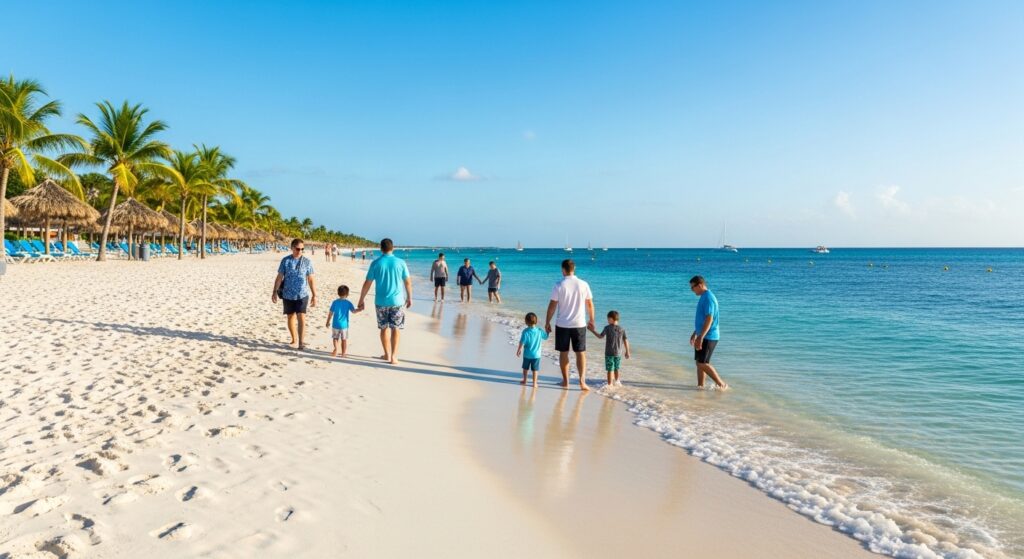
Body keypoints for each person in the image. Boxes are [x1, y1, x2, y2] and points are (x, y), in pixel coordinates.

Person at [357, 238, 412, 364]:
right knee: (396, 328)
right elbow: (408, 282)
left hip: (381, 301)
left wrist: (361, 299)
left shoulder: (376, 263)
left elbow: (367, 283)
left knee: (383, 328)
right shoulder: (401, 262)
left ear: (381, 249)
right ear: (393, 248)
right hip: (397, 302)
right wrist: (410, 297)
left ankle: (387, 354)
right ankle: (393, 356)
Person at [545, 259, 595, 391]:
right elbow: (589, 304)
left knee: (564, 353)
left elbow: (552, 305)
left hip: (562, 324)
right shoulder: (584, 284)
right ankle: (582, 382)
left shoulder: (559, 285)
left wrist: (547, 322)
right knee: (580, 353)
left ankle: (566, 382)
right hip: (579, 324)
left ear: (563, 269)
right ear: (574, 268)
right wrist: (592, 320)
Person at [271, 238, 317, 349]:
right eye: (297, 249)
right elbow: (279, 277)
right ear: (292, 248)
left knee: (301, 317)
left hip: (302, 294)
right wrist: (274, 291)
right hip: (288, 294)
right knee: (290, 317)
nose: (300, 251)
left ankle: (301, 342)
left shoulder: (307, 262)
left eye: (302, 249)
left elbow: (310, 279)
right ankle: (293, 339)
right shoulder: (285, 261)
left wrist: (314, 295)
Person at [689, 275, 728, 389]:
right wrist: (695, 332)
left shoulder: (708, 298)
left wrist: (701, 336)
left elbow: (709, 319)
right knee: (699, 362)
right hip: (703, 334)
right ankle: (700, 387)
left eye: (693, 288)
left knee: (702, 363)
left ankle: (722, 384)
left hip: (709, 336)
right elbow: (702, 319)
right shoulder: (703, 297)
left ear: (700, 285)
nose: (692, 290)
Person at [589, 310, 630, 387]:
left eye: (608, 319)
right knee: (616, 368)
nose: (607, 321)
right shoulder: (622, 329)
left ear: (611, 319)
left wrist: (592, 330)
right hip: (618, 353)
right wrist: (627, 351)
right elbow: (626, 340)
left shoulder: (607, 328)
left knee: (609, 370)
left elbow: (600, 336)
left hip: (609, 353)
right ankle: (617, 382)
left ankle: (609, 384)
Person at [325, 285, 360, 357]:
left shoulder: (335, 302)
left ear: (338, 293)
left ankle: (335, 348)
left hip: (335, 324)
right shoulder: (348, 303)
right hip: (344, 325)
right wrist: (360, 309)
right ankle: (343, 353)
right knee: (344, 340)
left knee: (335, 338)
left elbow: (331, 313)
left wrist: (327, 321)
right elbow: (353, 311)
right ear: (347, 294)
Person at [516, 312, 549, 387]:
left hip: (527, 354)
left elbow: (522, 342)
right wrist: (547, 331)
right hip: (536, 355)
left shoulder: (525, 331)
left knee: (525, 368)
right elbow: (546, 337)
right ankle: (534, 383)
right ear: (536, 321)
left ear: (526, 322)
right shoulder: (540, 331)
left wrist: (519, 350)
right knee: (535, 370)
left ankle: (525, 380)